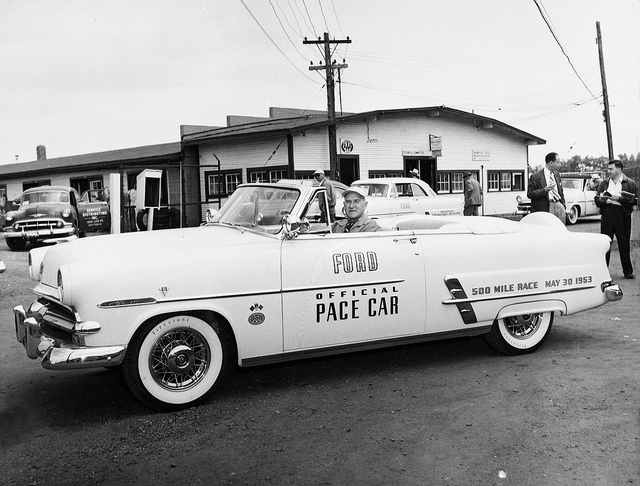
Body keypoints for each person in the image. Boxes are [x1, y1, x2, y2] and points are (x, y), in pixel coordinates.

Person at [594, 160, 638, 279]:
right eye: (608, 169)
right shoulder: (604, 183)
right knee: (605, 244)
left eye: (611, 169)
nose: (608, 171)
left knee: (623, 243)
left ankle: (628, 271)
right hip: (607, 214)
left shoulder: (630, 183)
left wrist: (620, 199)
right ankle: (603, 270)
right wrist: (603, 200)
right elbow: (597, 200)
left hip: (622, 215)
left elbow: (634, 202)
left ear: (619, 169)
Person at [527, 152, 566, 224]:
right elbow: (530, 194)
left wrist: (563, 205)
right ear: (551, 162)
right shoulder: (536, 176)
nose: (559, 165)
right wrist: (544, 190)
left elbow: (561, 192)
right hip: (546, 208)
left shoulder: (557, 175)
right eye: (558, 162)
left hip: (558, 205)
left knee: (560, 231)